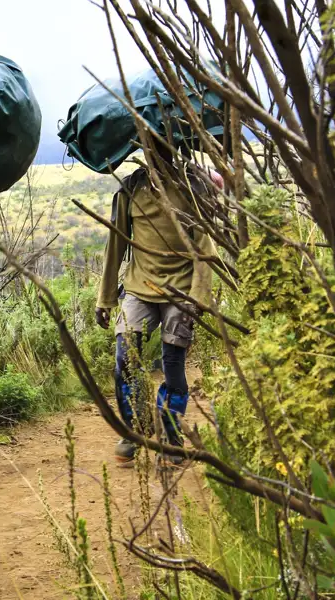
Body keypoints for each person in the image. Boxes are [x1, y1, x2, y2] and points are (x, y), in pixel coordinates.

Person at [95, 140, 220, 465]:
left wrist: (199, 297)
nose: (159, 154)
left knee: (173, 363)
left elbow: (205, 246)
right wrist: (106, 298)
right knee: (125, 360)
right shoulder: (131, 188)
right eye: (152, 148)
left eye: (166, 148)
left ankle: (170, 433)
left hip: (181, 291)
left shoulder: (194, 187)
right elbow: (115, 244)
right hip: (139, 287)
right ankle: (134, 428)